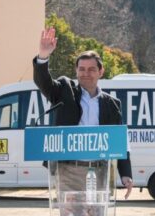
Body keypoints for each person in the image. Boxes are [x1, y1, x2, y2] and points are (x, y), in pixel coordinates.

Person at [33, 27, 134, 212]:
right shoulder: (64, 90)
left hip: (100, 170)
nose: (85, 73)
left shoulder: (112, 104)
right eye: (81, 69)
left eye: (91, 69)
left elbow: (120, 142)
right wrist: (43, 56)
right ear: (76, 71)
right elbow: (43, 82)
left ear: (101, 72)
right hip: (69, 171)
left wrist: (126, 174)